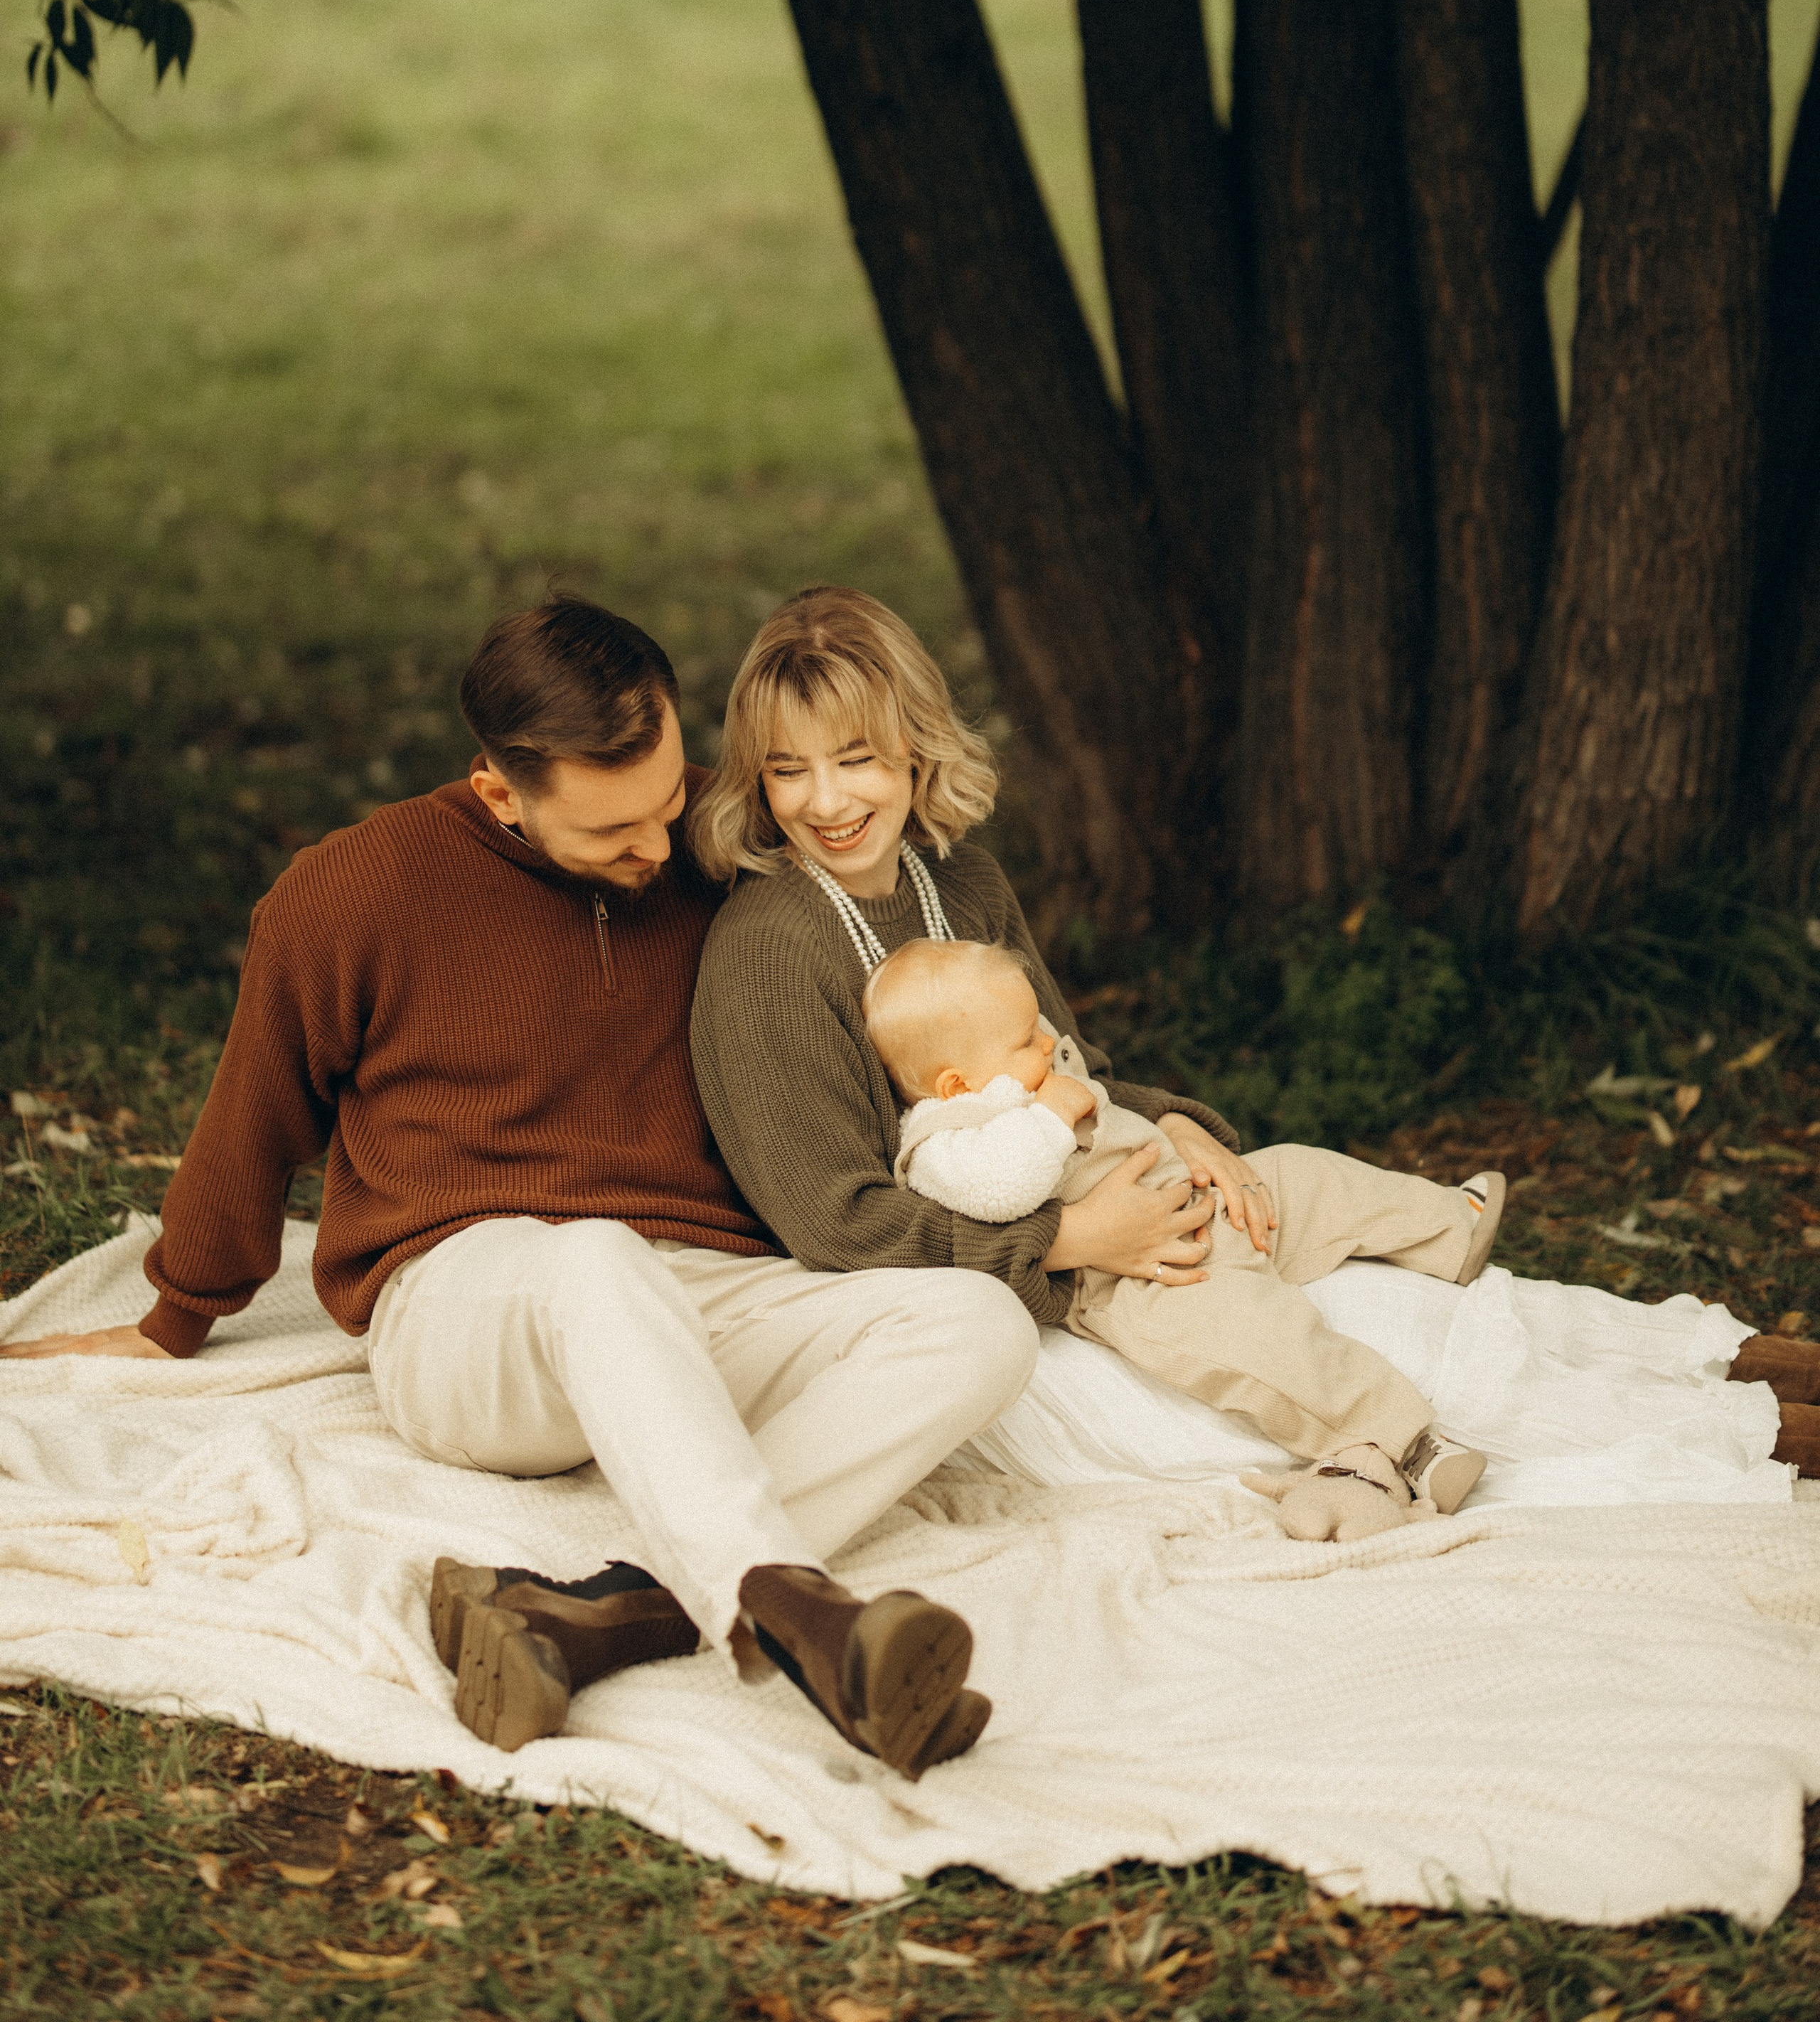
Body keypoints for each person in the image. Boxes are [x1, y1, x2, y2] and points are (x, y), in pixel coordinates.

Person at [0, 595, 1045, 1777]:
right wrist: (173, 1316)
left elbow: (910, 956)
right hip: (466, 1308)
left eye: (665, 804)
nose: (660, 849)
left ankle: (601, 1612)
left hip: (689, 1290)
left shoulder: (718, 838)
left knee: (977, 1324)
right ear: (502, 792)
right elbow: (255, 1112)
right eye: (614, 834)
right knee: (590, 1258)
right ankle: (801, 1624)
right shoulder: (353, 892)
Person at [688, 584, 1820, 1507]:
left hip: (1114, 1207)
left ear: (915, 750)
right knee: (1344, 1337)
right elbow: (835, 1226)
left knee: (1363, 1260)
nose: (827, 801)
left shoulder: (959, 879)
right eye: (789, 770)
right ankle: (1748, 1434)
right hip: (999, 1297)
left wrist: (1184, 1128)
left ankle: (1731, 1364)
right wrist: (1079, 1233)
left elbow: (1063, 1064)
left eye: (858, 759)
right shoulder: (770, 952)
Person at [868, 934, 1499, 1536]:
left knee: (1302, 1175)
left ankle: (1446, 1227)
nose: (1047, 1041)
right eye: (1025, 1039)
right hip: (1143, 1273)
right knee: (1260, 1338)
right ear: (957, 1083)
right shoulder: (944, 1142)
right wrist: (1054, 1115)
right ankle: (1403, 1443)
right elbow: (1000, 1190)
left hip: (1194, 1202)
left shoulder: (1020, 1074)